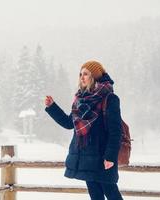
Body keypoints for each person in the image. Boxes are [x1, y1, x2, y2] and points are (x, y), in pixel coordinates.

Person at [44, 60, 124, 200]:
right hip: (86, 157)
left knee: (111, 193)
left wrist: (110, 156)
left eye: (86, 74)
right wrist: (52, 107)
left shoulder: (109, 98)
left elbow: (115, 131)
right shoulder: (80, 99)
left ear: (94, 76)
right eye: (80, 74)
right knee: (95, 196)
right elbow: (70, 123)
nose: (82, 77)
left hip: (102, 157)